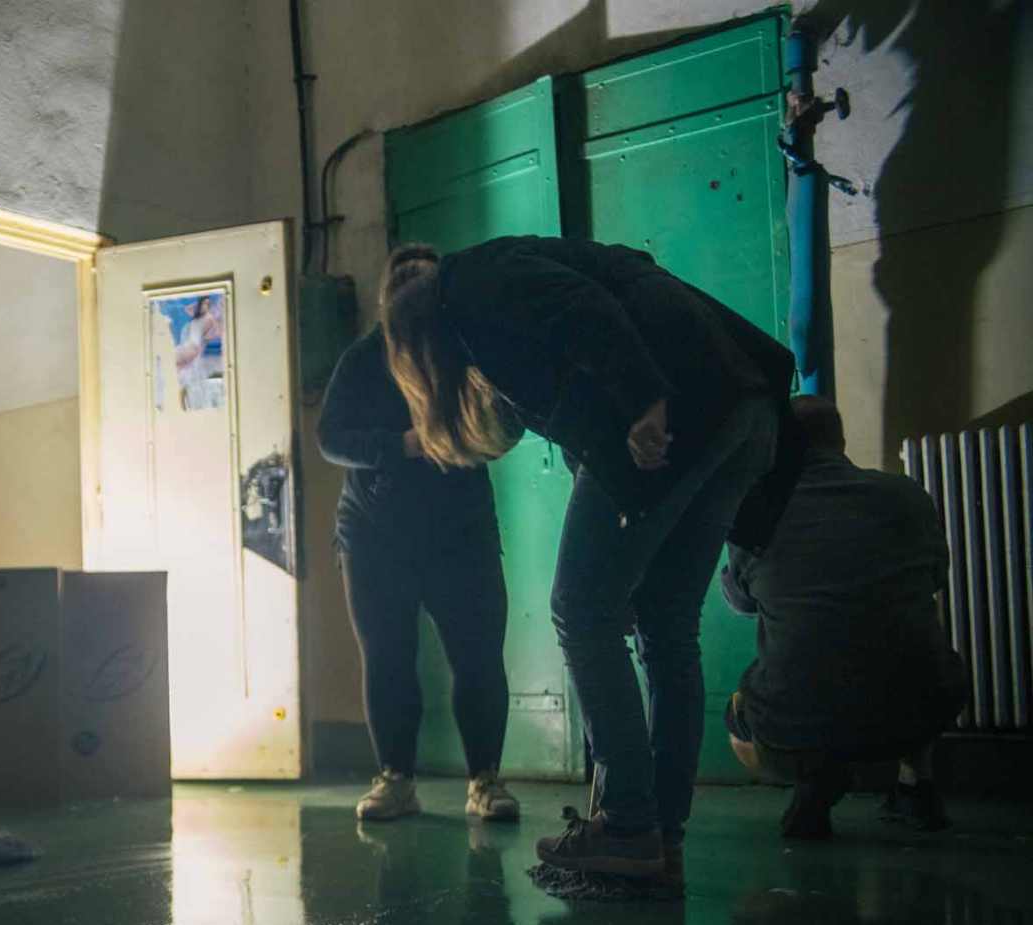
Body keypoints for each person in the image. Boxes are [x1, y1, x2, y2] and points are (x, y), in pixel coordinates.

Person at [382, 235, 797, 881]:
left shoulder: (470, 291)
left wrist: (646, 398)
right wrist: (617, 558)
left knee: (580, 611)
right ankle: (660, 836)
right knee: (667, 623)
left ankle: (629, 824)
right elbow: (583, 411)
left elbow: (586, 307)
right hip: (741, 406)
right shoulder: (493, 288)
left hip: (679, 408)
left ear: (419, 342)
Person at [318, 245, 518, 824]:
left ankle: (486, 782)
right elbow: (330, 438)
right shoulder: (362, 359)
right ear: (389, 303)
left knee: (478, 657)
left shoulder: (470, 350)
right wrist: (398, 445)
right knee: (387, 658)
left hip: (462, 531)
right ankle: (395, 780)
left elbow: (510, 421)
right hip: (374, 534)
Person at [721, 397, 965, 837]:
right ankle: (916, 786)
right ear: (841, 440)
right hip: (919, 710)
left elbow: (740, 603)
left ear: (778, 446)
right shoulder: (906, 495)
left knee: (740, 714)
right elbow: (935, 578)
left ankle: (814, 781)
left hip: (794, 725)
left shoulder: (756, 511)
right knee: (913, 642)